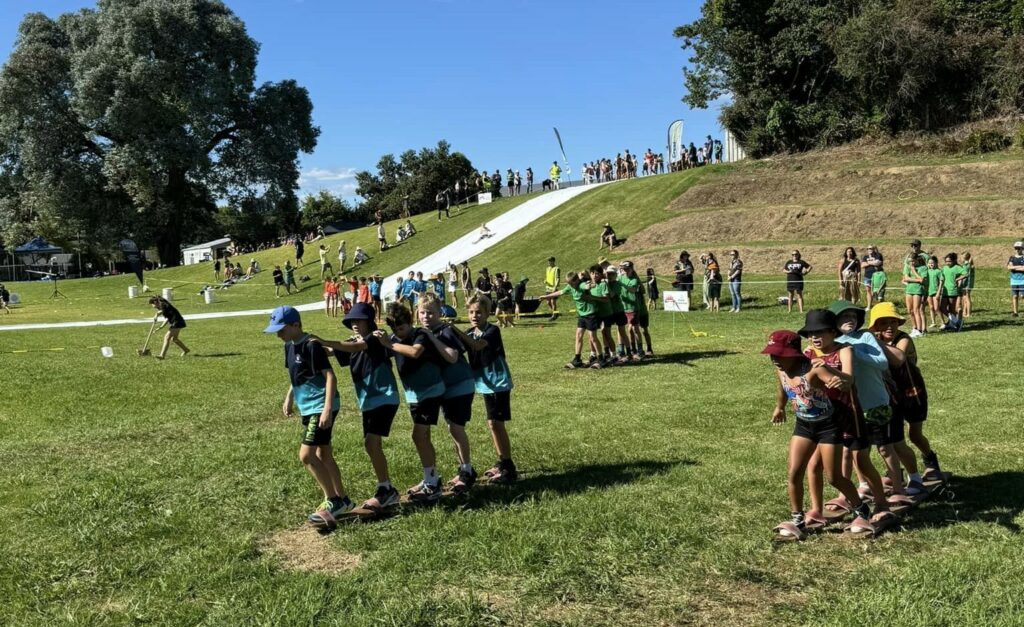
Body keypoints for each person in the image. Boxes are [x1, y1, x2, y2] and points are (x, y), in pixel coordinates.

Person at [763, 330, 877, 540]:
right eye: (772, 355)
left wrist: (840, 381)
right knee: (794, 473)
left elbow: (842, 382)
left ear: (793, 354)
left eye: (779, 355)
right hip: (804, 425)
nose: (775, 360)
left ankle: (861, 510)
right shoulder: (781, 370)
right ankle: (797, 518)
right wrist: (779, 407)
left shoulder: (813, 370)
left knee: (834, 477)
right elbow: (782, 388)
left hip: (827, 427)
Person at [797, 311, 890, 530]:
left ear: (832, 332)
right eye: (811, 333)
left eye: (820, 332)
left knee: (861, 459)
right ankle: (816, 510)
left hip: (848, 412)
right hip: (822, 415)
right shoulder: (808, 352)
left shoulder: (844, 349)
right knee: (815, 463)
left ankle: (881, 503)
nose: (815, 337)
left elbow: (849, 379)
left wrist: (826, 368)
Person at [264, 305, 353, 528]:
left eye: (282, 329)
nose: (278, 334)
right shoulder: (289, 346)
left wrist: (326, 408)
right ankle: (343, 499)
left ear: (296, 325)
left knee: (306, 455)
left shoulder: (312, 345)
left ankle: (333, 500)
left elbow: (330, 377)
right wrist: (289, 397)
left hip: (320, 405)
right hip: (307, 406)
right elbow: (297, 376)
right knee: (324, 453)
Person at [830, 300, 921, 503]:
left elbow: (881, 363)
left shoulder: (865, 337)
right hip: (849, 406)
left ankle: (898, 489)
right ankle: (850, 492)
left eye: (853, 317)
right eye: (845, 317)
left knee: (885, 448)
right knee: (850, 450)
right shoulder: (831, 340)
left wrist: (853, 351)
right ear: (834, 321)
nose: (850, 320)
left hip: (876, 403)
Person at [315, 303, 402, 512]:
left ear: (369, 321)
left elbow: (356, 347)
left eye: (359, 320)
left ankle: (386, 489)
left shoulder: (375, 336)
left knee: (372, 443)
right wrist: (311, 346)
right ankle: (385, 487)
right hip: (368, 400)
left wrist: (326, 341)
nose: (354, 324)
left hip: (384, 396)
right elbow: (334, 351)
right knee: (370, 444)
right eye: (352, 321)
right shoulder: (353, 341)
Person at [376, 302, 450, 503]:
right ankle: (431, 478)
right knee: (422, 437)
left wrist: (389, 344)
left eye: (401, 328)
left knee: (419, 435)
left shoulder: (420, 334)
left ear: (410, 322)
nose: (398, 333)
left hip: (431, 391)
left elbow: (415, 352)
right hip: (414, 395)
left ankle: (432, 483)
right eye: (394, 330)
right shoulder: (393, 339)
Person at [449, 294, 518, 484]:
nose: (474, 316)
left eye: (479, 312)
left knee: (496, 423)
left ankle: (508, 466)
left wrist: (454, 329)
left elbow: (477, 346)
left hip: (498, 383)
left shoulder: (492, 331)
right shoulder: (470, 332)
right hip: (485, 385)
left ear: (488, 313)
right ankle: (502, 461)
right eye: (471, 312)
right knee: (493, 423)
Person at [869, 302, 942, 478]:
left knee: (915, 435)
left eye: (893, 322)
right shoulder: (873, 341)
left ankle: (930, 460)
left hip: (912, 393)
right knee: (893, 437)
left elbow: (897, 360)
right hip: (890, 395)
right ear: (876, 325)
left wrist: (874, 341)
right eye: (884, 322)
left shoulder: (904, 339)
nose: (889, 327)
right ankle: (896, 471)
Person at [418, 293, 479, 494]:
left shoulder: (445, 330)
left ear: (440, 313)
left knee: (456, 428)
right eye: (422, 312)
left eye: (431, 313)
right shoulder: (423, 332)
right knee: (452, 428)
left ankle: (467, 471)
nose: (426, 316)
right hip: (444, 387)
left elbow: (452, 357)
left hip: (460, 383)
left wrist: (432, 338)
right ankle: (462, 468)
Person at [536, 271, 603, 369]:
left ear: (576, 280)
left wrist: (590, 286)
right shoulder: (571, 287)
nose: (569, 285)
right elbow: (560, 292)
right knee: (578, 335)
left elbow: (586, 286)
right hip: (582, 315)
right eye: (568, 283)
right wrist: (545, 296)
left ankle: (601, 359)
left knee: (593, 338)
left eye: (571, 283)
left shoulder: (581, 285)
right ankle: (577, 360)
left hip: (590, 314)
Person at [901, 243, 929, 338]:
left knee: (916, 309)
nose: (911, 263)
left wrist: (914, 272)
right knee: (910, 310)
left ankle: (920, 330)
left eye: (913, 261)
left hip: (918, 290)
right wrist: (916, 280)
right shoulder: (908, 266)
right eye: (909, 262)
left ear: (917, 260)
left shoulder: (923, 268)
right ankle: (915, 328)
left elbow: (922, 279)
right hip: (909, 289)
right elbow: (905, 278)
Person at [940, 253, 968, 331]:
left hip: (953, 291)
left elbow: (966, 274)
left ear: (954, 261)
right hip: (945, 291)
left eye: (949, 261)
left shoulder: (957, 267)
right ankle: (957, 321)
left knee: (952, 309)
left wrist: (958, 279)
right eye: (946, 261)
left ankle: (952, 324)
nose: (947, 263)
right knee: (942, 308)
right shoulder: (944, 268)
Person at [926, 256, 943, 329]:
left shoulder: (939, 271)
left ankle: (943, 322)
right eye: (929, 263)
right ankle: (933, 322)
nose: (931, 264)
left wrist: (938, 292)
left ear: (936, 263)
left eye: (932, 263)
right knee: (931, 307)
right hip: (929, 292)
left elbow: (941, 281)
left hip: (936, 292)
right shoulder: (927, 271)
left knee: (936, 308)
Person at [1009, 241, 1024, 317]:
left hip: (1022, 280)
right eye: (1016, 248)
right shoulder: (1012, 258)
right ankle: (1015, 312)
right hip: (1014, 280)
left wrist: (1014, 267)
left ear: (1022, 248)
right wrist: (1019, 267)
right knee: (1015, 296)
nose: (1017, 250)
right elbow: (1009, 267)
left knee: (1022, 296)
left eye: (1018, 248)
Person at [960, 252, 975, 319]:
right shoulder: (968, 264)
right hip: (967, 283)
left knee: (967, 297)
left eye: (961, 257)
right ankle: (964, 312)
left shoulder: (967, 265)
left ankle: (968, 313)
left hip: (966, 284)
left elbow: (965, 275)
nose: (960, 259)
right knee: (964, 297)